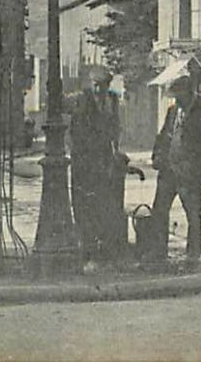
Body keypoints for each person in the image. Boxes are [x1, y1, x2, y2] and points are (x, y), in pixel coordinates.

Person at [150, 74, 201, 261]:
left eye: (178, 95)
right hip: (168, 172)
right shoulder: (172, 112)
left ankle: (193, 255)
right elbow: (163, 136)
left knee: (193, 216)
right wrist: (157, 156)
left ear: (189, 93)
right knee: (159, 212)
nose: (176, 100)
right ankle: (158, 252)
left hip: (190, 174)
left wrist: (189, 158)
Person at [69, 64, 127, 263]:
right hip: (84, 159)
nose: (98, 90)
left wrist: (116, 150)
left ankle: (102, 246)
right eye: (95, 85)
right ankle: (86, 246)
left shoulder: (112, 100)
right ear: (90, 84)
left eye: (102, 86)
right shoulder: (81, 99)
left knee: (103, 202)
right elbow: (75, 130)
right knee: (83, 202)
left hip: (104, 159)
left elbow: (116, 126)